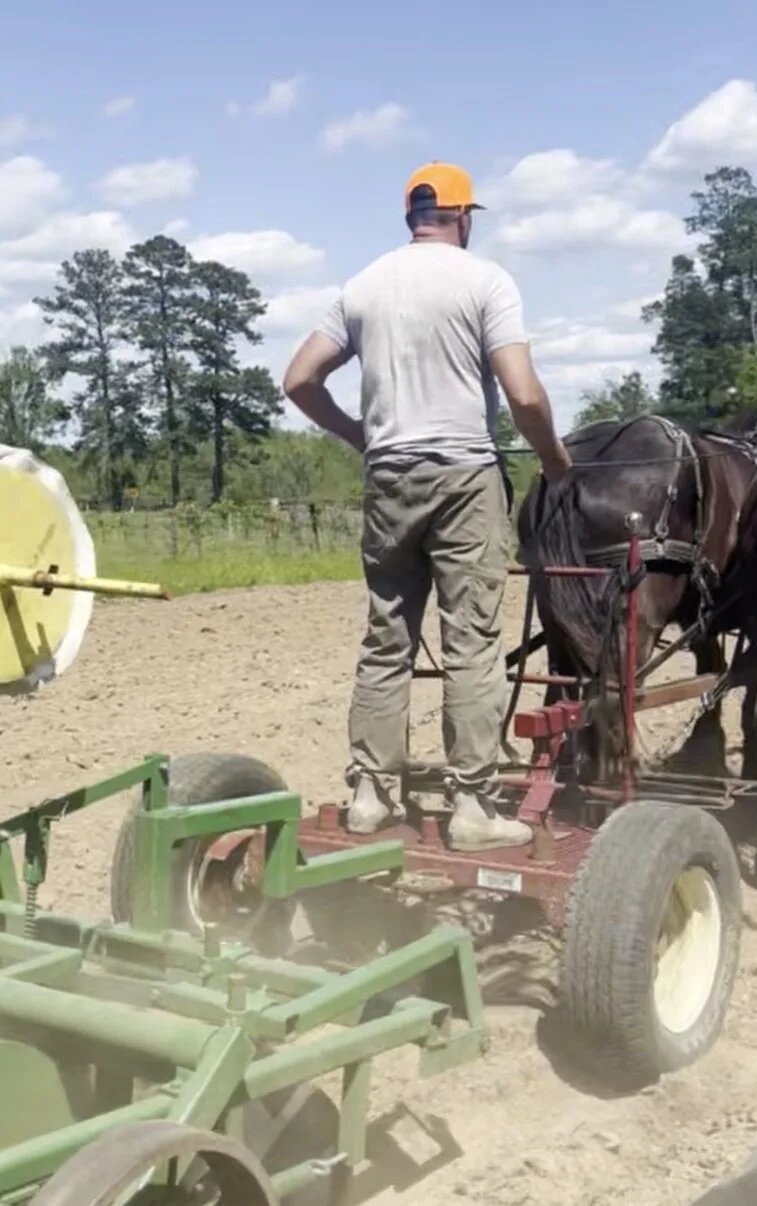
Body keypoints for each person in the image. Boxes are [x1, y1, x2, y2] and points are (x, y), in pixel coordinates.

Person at [282, 161, 571, 851]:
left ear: (411, 217)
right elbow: (524, 395)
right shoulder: (485, 281)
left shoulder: (363, 285)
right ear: (463, 217)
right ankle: (471, 806)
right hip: (464, 474)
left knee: (387, 640)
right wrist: (557, 463)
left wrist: (362, 437)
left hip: (389, 478)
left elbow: (299, 379)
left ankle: (370, 794)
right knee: (470, 638)